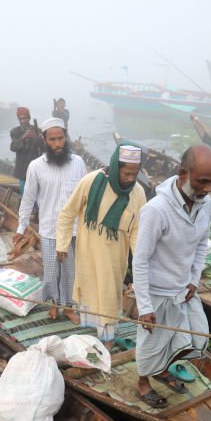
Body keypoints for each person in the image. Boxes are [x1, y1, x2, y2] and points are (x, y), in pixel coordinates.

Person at [132, 144, 211, 408]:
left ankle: (162, 370)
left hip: (184, 289)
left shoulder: (206, 205)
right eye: (202, 181)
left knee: (193, 338)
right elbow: (141, 259)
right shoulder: (156, 210)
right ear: (183, 174)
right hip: (157, 292)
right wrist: (144, 306)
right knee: (149, 346)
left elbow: (202, 244)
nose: (207, 188)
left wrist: (194, 279)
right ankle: (143, 383)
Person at [56, 143, 146, 343]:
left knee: (109, 296)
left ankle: (108, 337)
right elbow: (68, 212)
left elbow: (137, 231)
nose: (130, 179)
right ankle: (95, 330)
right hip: (88, 253)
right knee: (88, 291)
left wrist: (141, 264)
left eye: (134, 174)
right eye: (126, 174)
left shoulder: (138, 193)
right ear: (116, 167)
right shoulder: (90, 181)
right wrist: (62, 244)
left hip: (114, 259)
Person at [14, 117, 87, 322]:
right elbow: (28, 199)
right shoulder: (36, 166)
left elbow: (85, 197)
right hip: (48, 228)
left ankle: (69, 307)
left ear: (66, 138)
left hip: (73, 229)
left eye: (60, 138)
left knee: (70, 271)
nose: (57, 144)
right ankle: (54, 303)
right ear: (44, 140)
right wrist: (22, 227)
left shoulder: (78, 163)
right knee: (52, 271)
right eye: (52, 139)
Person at [9, 107, 42, 195]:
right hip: (22, 168)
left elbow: (43, 149)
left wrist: (41, 140)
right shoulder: (15, 131)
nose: (23, 121)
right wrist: (24, 137)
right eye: (21, 119)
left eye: (25, 118)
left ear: (29, 118)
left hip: (35, 166)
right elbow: (13, 147)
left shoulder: (37, 130)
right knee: (25, 193)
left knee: (38, 191)